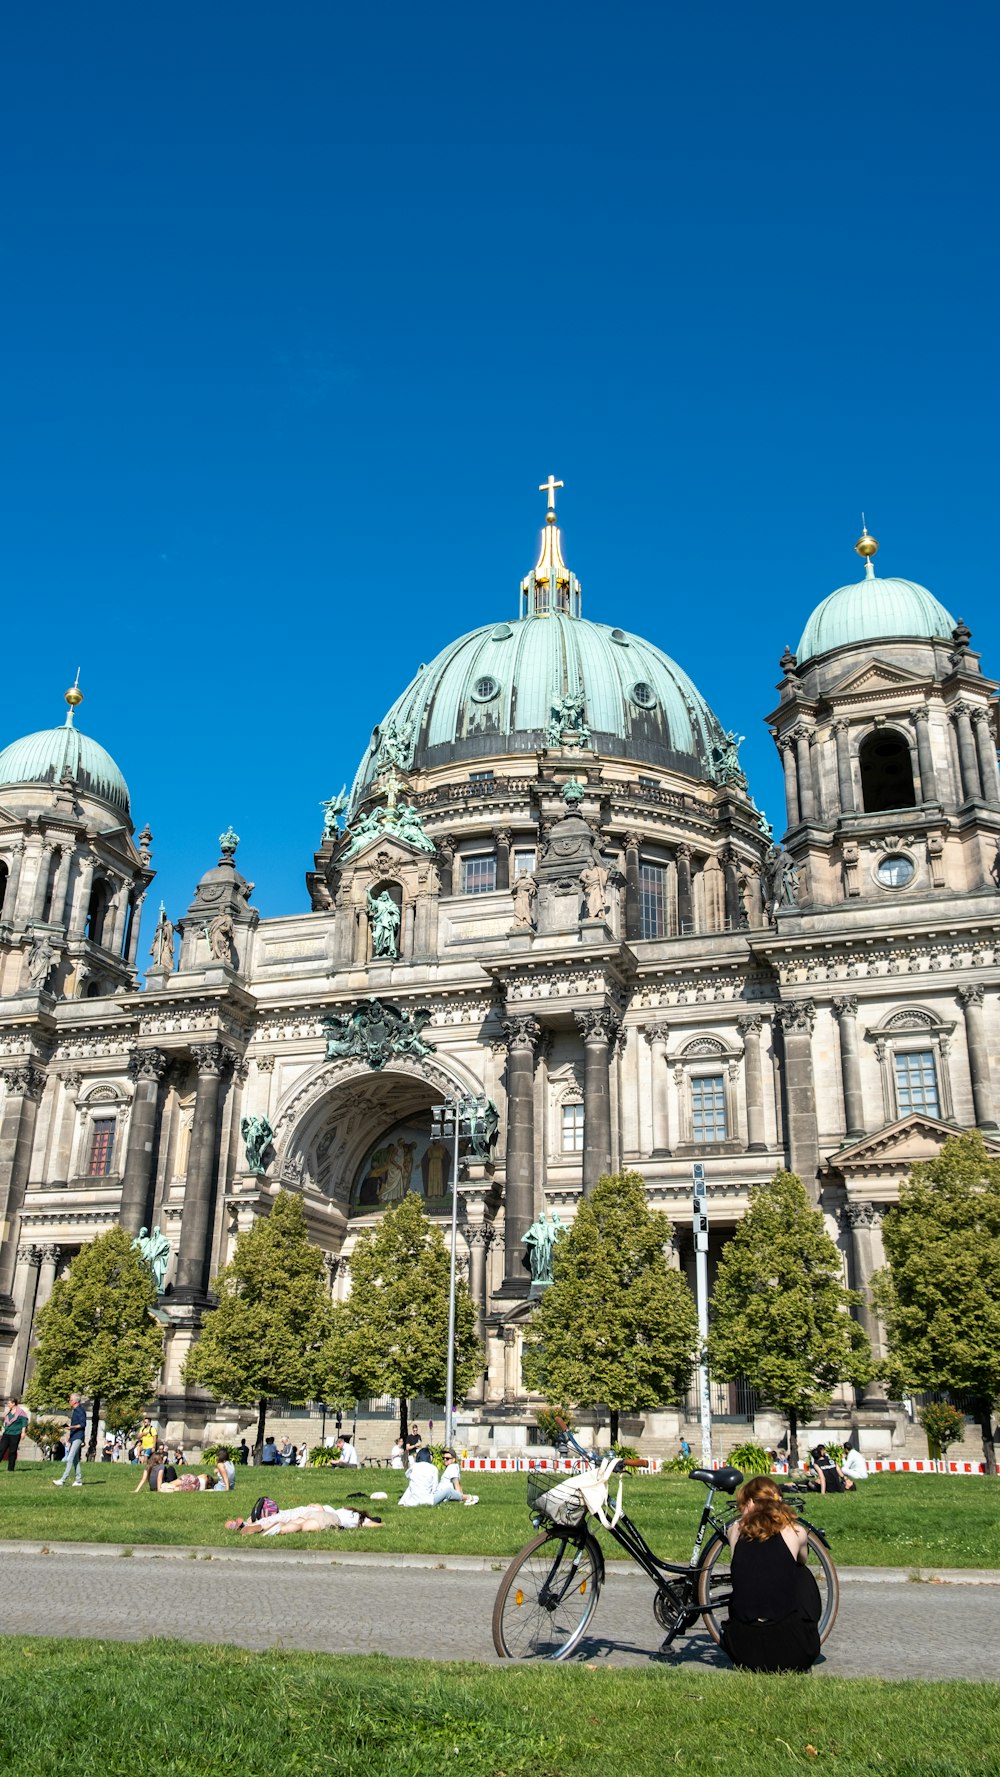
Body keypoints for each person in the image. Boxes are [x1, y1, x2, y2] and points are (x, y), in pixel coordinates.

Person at [721, 1475, 822, 1673]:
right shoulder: (796, 1532)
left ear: (749, 1503)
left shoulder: (734, 1531)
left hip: (743, 1653)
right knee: (801, 1573)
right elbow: (802, 1560)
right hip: (795, 1652)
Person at [228, 1504, 385, 1535]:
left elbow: (317, 1505)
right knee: (301, 1526)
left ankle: (256, 1524)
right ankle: (275, 1530)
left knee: (292, 1518)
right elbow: (375, 1525)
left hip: (312, 1510)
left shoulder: (343, 1509)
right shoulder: (360, 1519)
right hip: (328, 1519)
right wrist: (382, 1524)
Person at [53, 1393, 86, 1487]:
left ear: (76, 1401)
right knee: (75, 1460)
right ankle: (78, 1480)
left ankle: (63, 1480)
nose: (69, 1401)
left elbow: (83, 1424)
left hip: (78, 1437)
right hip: (74, 1436)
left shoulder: (80, 1410)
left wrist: (71, 1427)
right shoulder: (75, 1410)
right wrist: (70, 1435)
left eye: (71, 1400)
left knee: (70, 1457)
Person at [0, 1398, 30, 1472]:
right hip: (6, 1434)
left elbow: (24, 1423)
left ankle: (10, 1469)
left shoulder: (21, 1413)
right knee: (1, 1449)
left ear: (14, 1403)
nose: (8, 1405)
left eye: (9, 1403)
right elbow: (6, 1423)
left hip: (15, 1434)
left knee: (12, 1451)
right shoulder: (9, 1412)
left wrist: (23, 1432)